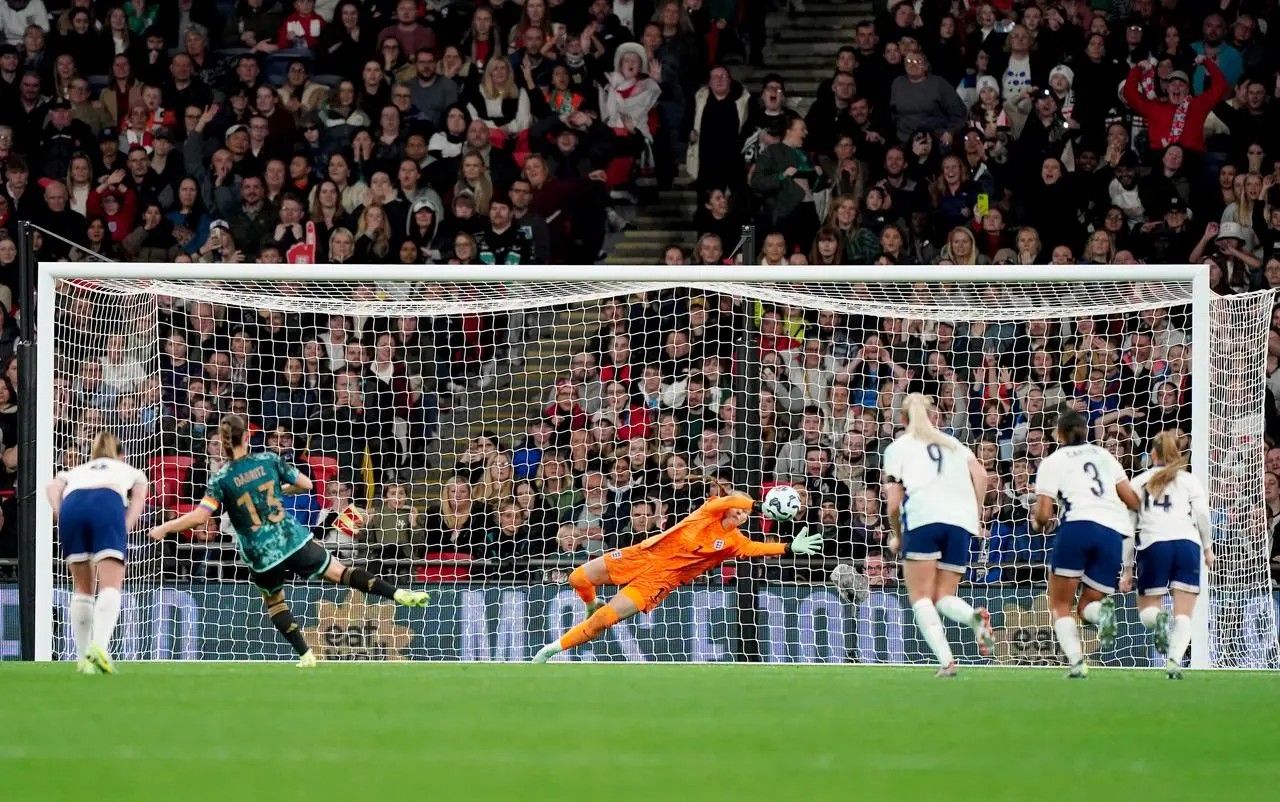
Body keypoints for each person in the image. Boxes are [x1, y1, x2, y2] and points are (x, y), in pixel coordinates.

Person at [147, 415, 429, 667]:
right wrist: (277, 489)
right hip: (291, 537)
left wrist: (165, 527)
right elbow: (307, 484)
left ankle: (305, 655)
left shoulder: (221, 478)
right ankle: (398, 594)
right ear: (248, 437)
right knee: (340, 573)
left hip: (262, 552)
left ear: (223, 442)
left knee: (275, 602)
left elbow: (199, 517)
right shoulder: (269, 460)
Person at [531, 484, 822, 662]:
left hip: (659, 580)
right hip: (642, 554)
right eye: (737, 508)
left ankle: (549, 651)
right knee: (577, 578)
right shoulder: (709, 510)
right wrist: (758, 504)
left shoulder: (735, 543)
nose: (739, 514)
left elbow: (759, 550)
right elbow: (726, 501)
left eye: (744, 514)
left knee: (603, 621)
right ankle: (591, 602)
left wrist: (789, 547)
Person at [882, 394, 994, 677]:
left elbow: (894, 503)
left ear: (903, 419)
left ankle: (946, 663)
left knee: (920, 597)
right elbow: (982, 476)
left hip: (923, 518)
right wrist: (975, 516)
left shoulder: (899, 447)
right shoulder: (954, 444)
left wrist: (898, 535)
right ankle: (973, 617)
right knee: (943, 595)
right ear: (935, 416)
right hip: (959, 522)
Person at [1033, 409, 1141, 678]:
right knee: (1085, 607)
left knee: (1060, 605)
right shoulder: (1104, 455)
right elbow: (1131, 499)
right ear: (1085, 431)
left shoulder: (1053, 461)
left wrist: (1038, 524)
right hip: (1111, 534)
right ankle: (1102, 613)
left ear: (1059, 434)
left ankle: (1077, 663)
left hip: (1077, 528)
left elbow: (1044, 513)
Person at [45, 431, 148, 674]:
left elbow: (52, 488)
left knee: (82, 588)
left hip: (72, 506)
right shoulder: (129, 470)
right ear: (121, 454)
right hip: (106, 503)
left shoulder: (77, 470)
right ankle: (100, 648)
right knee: (110, 585)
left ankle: (83, 659)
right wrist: (125, 527)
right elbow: (139, 497)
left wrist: (61, 514)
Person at [1122, 431, 1213, 679]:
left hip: (1154, 545)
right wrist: (1207, 548)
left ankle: (1159, 620)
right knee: (1184, 612)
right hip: (1187, 544)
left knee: (1148, 612)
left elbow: (1128, 529)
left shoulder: (1138, 482)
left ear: (1152, 453)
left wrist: (1127, 568)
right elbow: (1203, 517)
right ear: (1177, 453)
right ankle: (1174, 661)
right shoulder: (1189, 480)